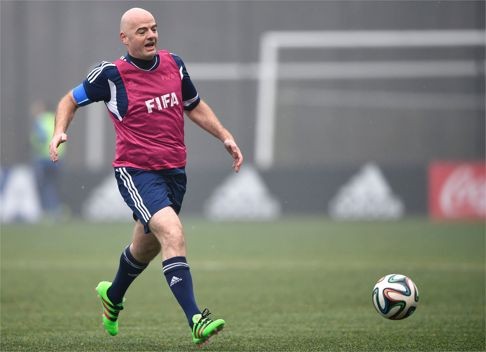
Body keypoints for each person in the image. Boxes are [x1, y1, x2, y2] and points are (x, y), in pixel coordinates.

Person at [49, 7, 243, 346]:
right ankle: (196, 318)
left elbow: (193, 104)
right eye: (141, 31)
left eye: (153, 28)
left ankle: (113, 294)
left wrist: (224, 134)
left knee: (145, 247)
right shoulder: (110, 75)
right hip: (136, 171)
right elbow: (70, 99)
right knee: (173, 232)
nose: (151, 35)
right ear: (124, 38)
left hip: (174, 172)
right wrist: (59, 131)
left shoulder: (174, 63)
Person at [30, 100, 65, 219]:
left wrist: (33, 144)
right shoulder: (55, 120)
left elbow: (41, 138)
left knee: (45, 186)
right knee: (53, 185)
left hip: (45, 159)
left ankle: (49, 211)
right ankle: (57, 209)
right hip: (57, 158)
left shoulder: (40, 121)